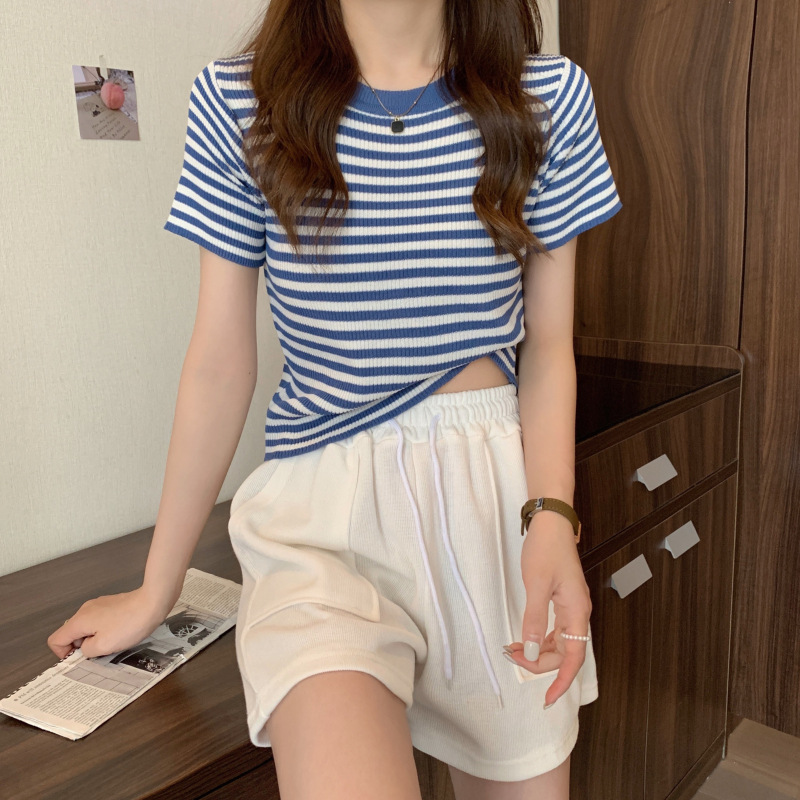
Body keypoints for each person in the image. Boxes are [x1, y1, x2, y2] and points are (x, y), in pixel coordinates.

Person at [48, 0, 622, 797]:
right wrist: (158, 587)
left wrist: (551, 516)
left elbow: (549, 347)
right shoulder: (239, 100)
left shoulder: (547, 97)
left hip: (492, 514)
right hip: (320, 524)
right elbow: (220, 362)